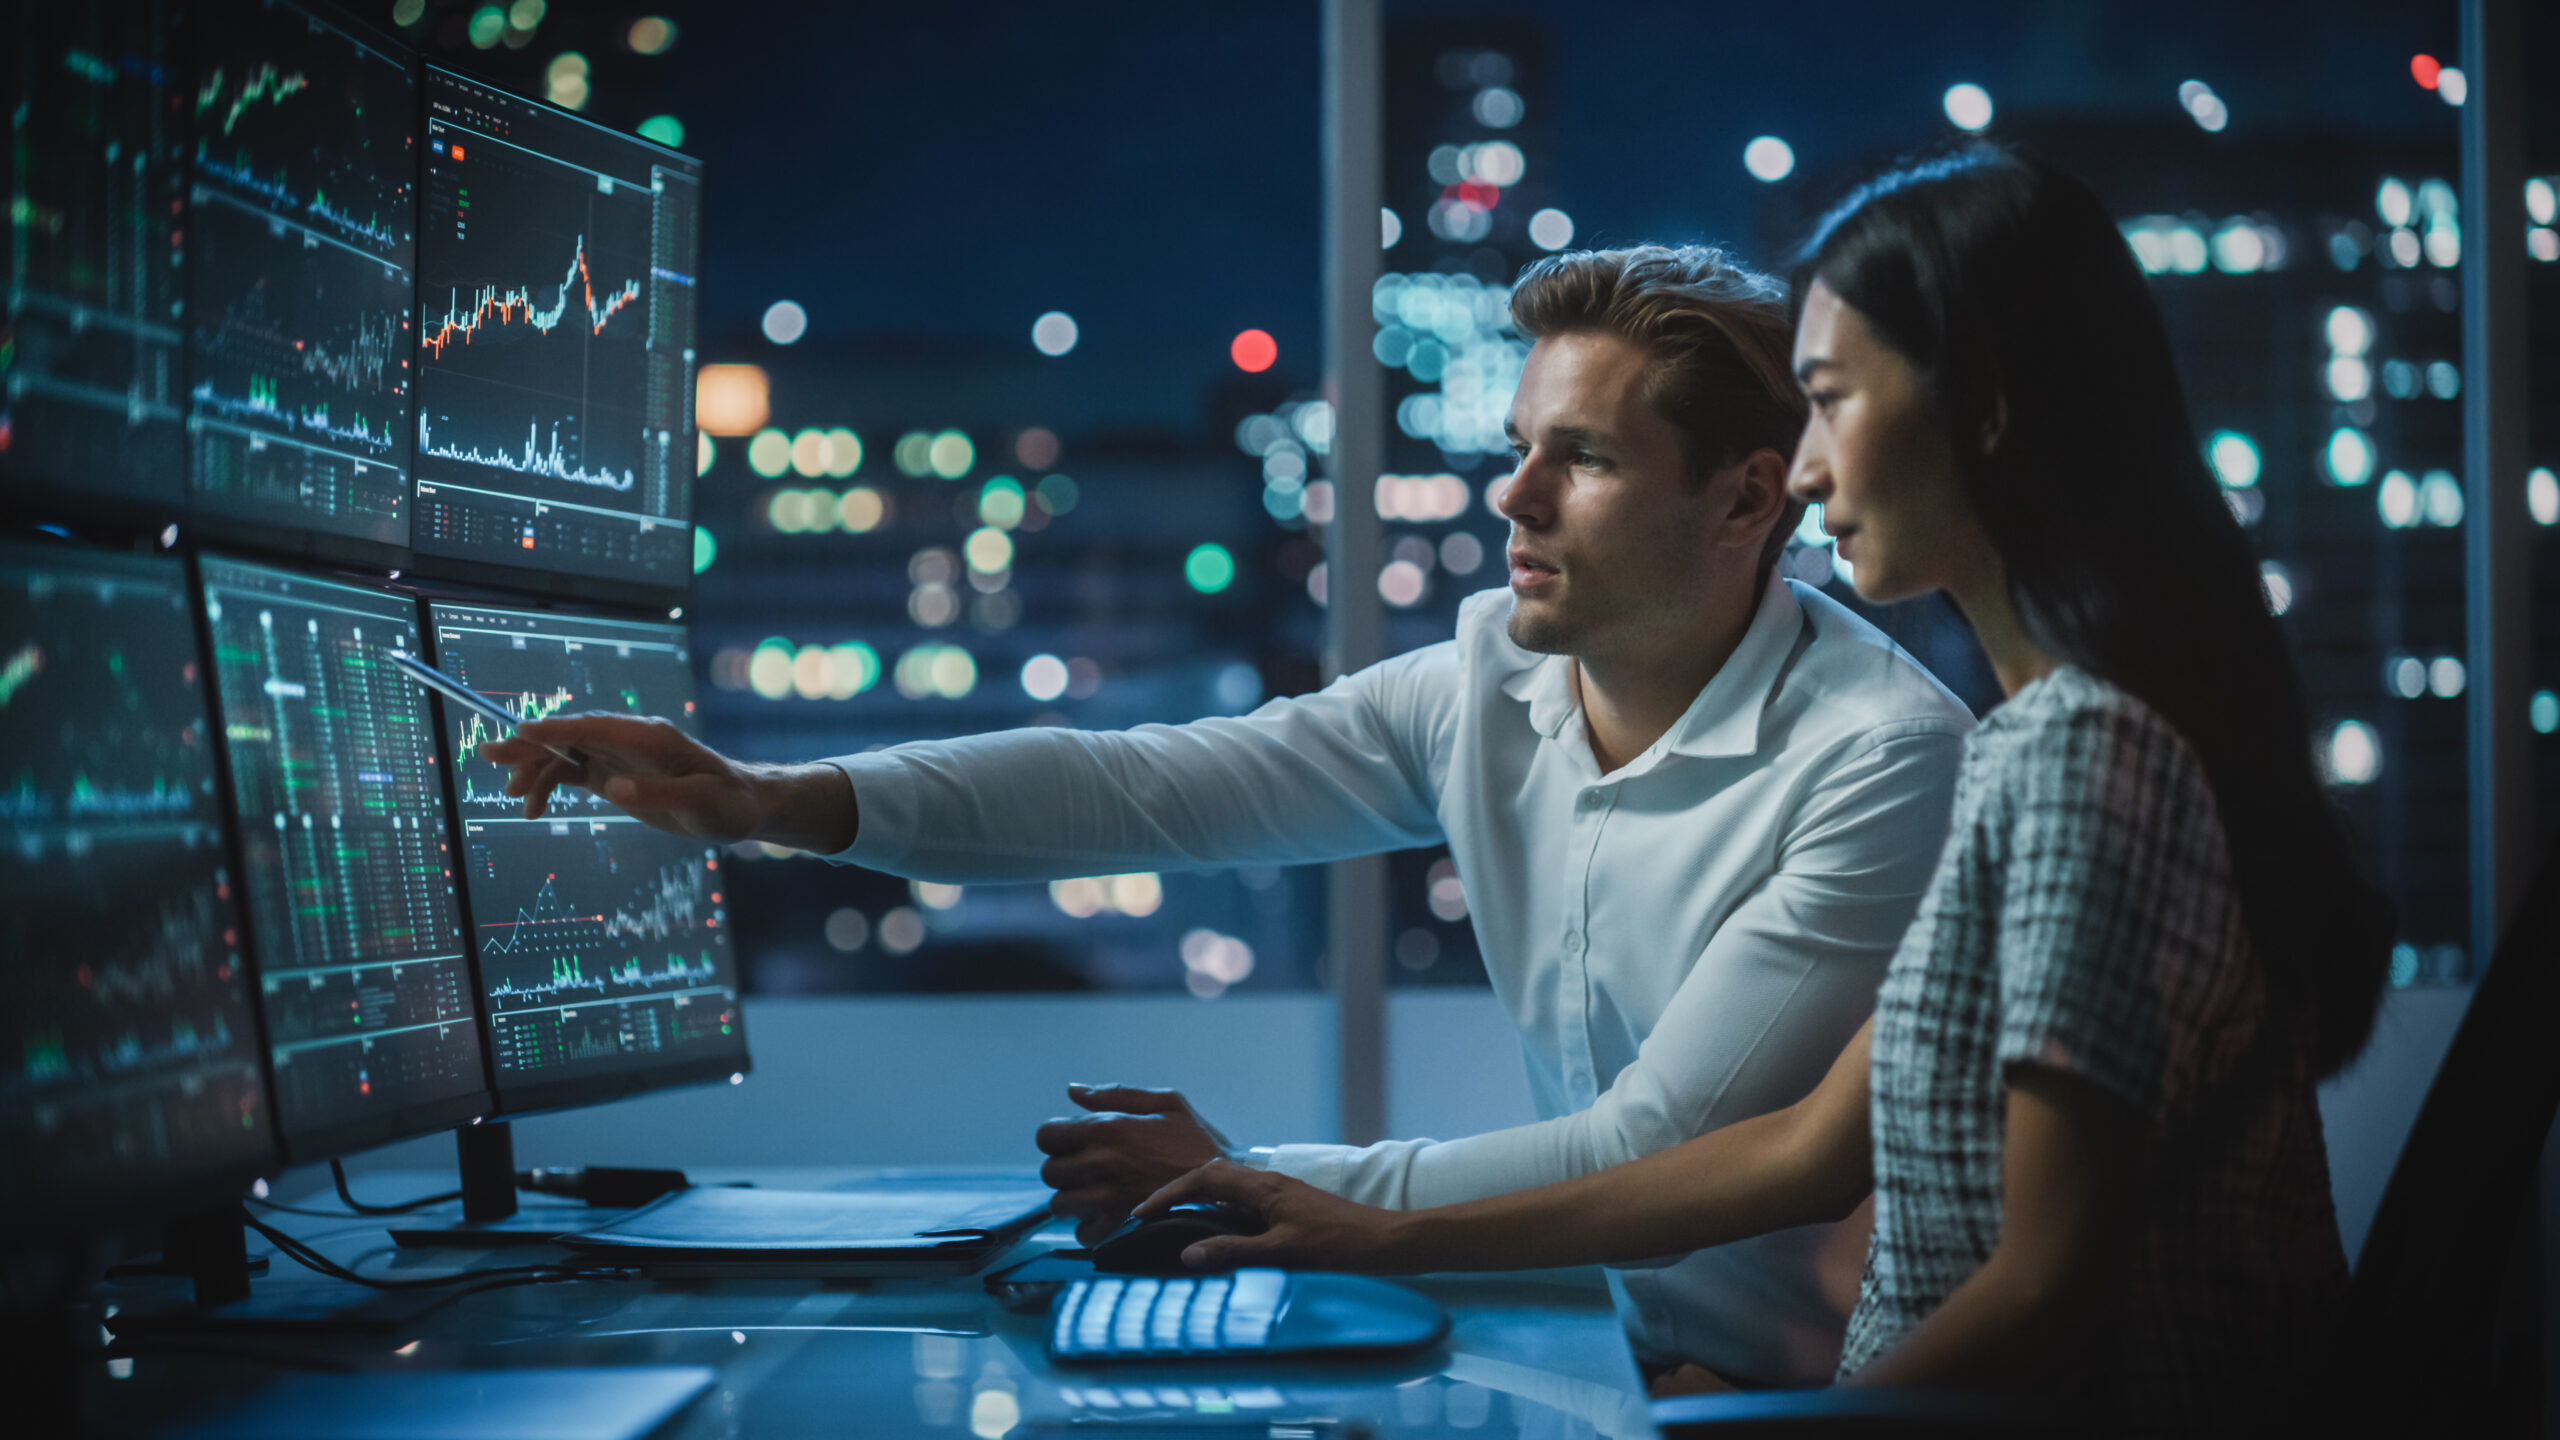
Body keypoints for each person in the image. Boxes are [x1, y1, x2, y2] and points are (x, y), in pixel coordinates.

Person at [479, 245, 1977, 1388]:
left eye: (1580, 459)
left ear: (1744, 501)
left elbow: (1662, 1150)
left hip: (1826, 1395)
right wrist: (769, 800)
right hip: (1602, 1348)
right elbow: (1152, 784)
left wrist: (1254, 1180)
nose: (1512, 498)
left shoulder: (1884, 757)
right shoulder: (1487, 680)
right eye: (1517, 446)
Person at [1135, 149, 2393, 1433]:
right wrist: (1364, 1233)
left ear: (1990, 409)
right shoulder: (2044, 743)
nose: (1796, 472)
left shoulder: (2078, 754)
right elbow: (1800, 1155)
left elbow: (2043, 1294)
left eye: (1832, 404)